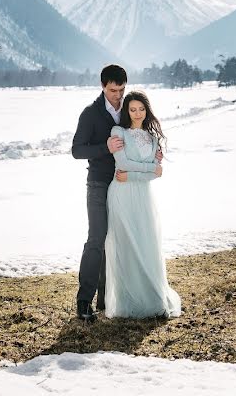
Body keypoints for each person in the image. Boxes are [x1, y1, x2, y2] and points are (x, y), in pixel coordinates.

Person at [71, 64, 161, 322]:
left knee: (119, 240)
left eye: (121, 90)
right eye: (113, 91)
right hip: (99, 184)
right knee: (97, 239)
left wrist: (153, 154)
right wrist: (105, 147)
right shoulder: (90, 114)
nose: (118, 96)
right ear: (102, 87)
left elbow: (139, 137)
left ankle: (106, 299)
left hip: (125, 187)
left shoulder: (128, 111)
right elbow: (77, 150)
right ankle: (84, 302)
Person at [104, 91, 181, 319]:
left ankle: (153, 299)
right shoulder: (119, 132)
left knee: (147, 244)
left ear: (147, 111)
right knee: (128, 246)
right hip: (122, 194)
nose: (137, 113)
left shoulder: (153, 139)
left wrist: (141, 173)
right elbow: (123, 164)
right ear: (126, 112)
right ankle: (129, 302)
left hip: (144, 196)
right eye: (132, 109)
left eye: (141, 109)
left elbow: (154, 175)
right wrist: (149, 169)